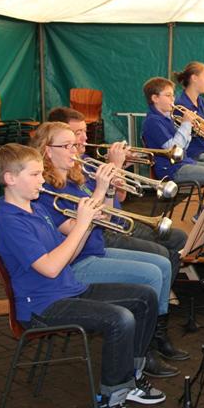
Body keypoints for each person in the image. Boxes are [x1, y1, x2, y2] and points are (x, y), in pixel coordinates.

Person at [0, 143, 166, 408]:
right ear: (10, 178)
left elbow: (68, 257)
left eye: (41, 174)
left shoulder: (36, 209)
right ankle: (113, 397)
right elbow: (50, 268)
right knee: (120, 318)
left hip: (67, 288)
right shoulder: (9, 221)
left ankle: (131, 376)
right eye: (35, 175)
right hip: (42, 305)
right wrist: (82, 223)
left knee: (146, 297)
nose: (42, 181)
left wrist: (89, 222)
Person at [31, 122, 184, 378]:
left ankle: (156, 336)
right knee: (152, 275)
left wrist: (111, 187)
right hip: (78, 262)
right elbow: (75, 228)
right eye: (67, 145)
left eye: (74, 144)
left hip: (96, 249)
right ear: (47, 150)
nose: (75, 150)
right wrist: (101, 189)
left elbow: (110, 213)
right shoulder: (47, 190)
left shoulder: (76, 177)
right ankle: (143, 352)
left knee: (163, 264)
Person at [47, 107, 188, 298]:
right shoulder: (57, 181)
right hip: (103, 233)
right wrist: (114, 168)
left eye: (84, 132)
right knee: (160, 254)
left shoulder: (85, 162)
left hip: (114, 222)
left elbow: (119, 199)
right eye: (77, 134)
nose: (84, 139)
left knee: (177, 238)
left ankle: (160, 291)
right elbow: (96, 219)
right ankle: (155, 293)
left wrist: (116, 177)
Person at [142, 77, 204, 188]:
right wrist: (186, 124)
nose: (173, 99)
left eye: (173, 95)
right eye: (168, 95)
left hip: (185, 162)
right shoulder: (153, 121)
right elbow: (174, 150)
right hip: (171, 169)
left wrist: (189, 127)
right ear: (155, 98)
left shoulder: (168, 117)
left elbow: (184, 147)